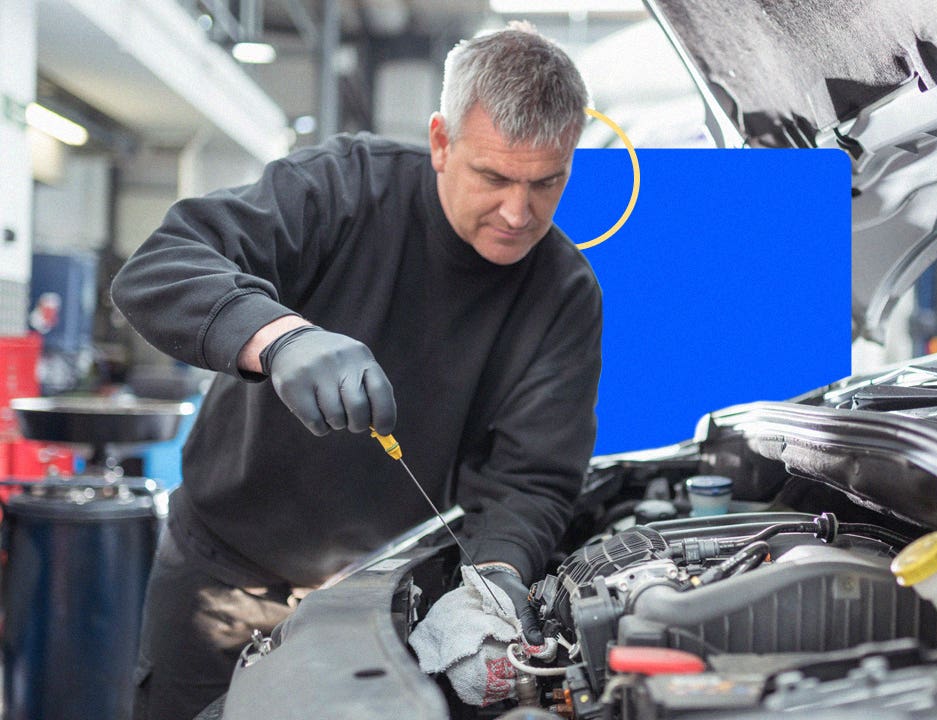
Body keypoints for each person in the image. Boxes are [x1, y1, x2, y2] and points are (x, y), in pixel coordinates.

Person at [111, 22, 600, 720]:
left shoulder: (563, 294)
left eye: (547, 182)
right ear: (441, 142)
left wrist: (492, 584)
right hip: (222, 581)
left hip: (381, 604)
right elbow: (159, 267)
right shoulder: (344, 187)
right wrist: (277, 337)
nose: (519, 213)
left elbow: (532, 479)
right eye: (494, 177)